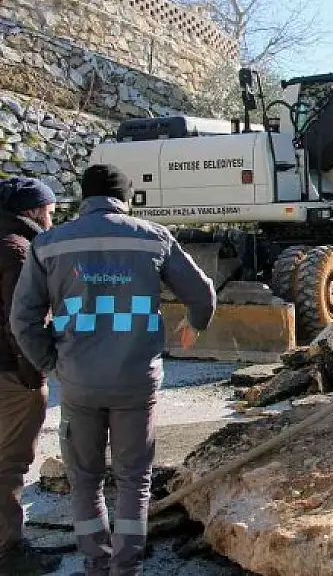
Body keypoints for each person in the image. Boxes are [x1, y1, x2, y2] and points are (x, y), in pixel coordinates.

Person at [10, 164, 216, 576]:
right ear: (125, 197)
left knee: (84, 480)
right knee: (133, 480)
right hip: (136, 383)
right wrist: (192, 328)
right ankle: (127, 568)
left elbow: (23, 321)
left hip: (79, 383)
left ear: (83, 198)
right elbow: (203, 297)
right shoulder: (154, 237)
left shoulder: (48, 244)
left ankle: (95, 565)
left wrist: (53, 364)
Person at [0, 176, 61, 575]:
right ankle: (9, 552)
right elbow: (21, 323)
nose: (53, 220)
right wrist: (35, 372)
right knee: (9, 463)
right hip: (10, 375)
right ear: (34, 210)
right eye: (51, 212)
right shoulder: (20, 252)